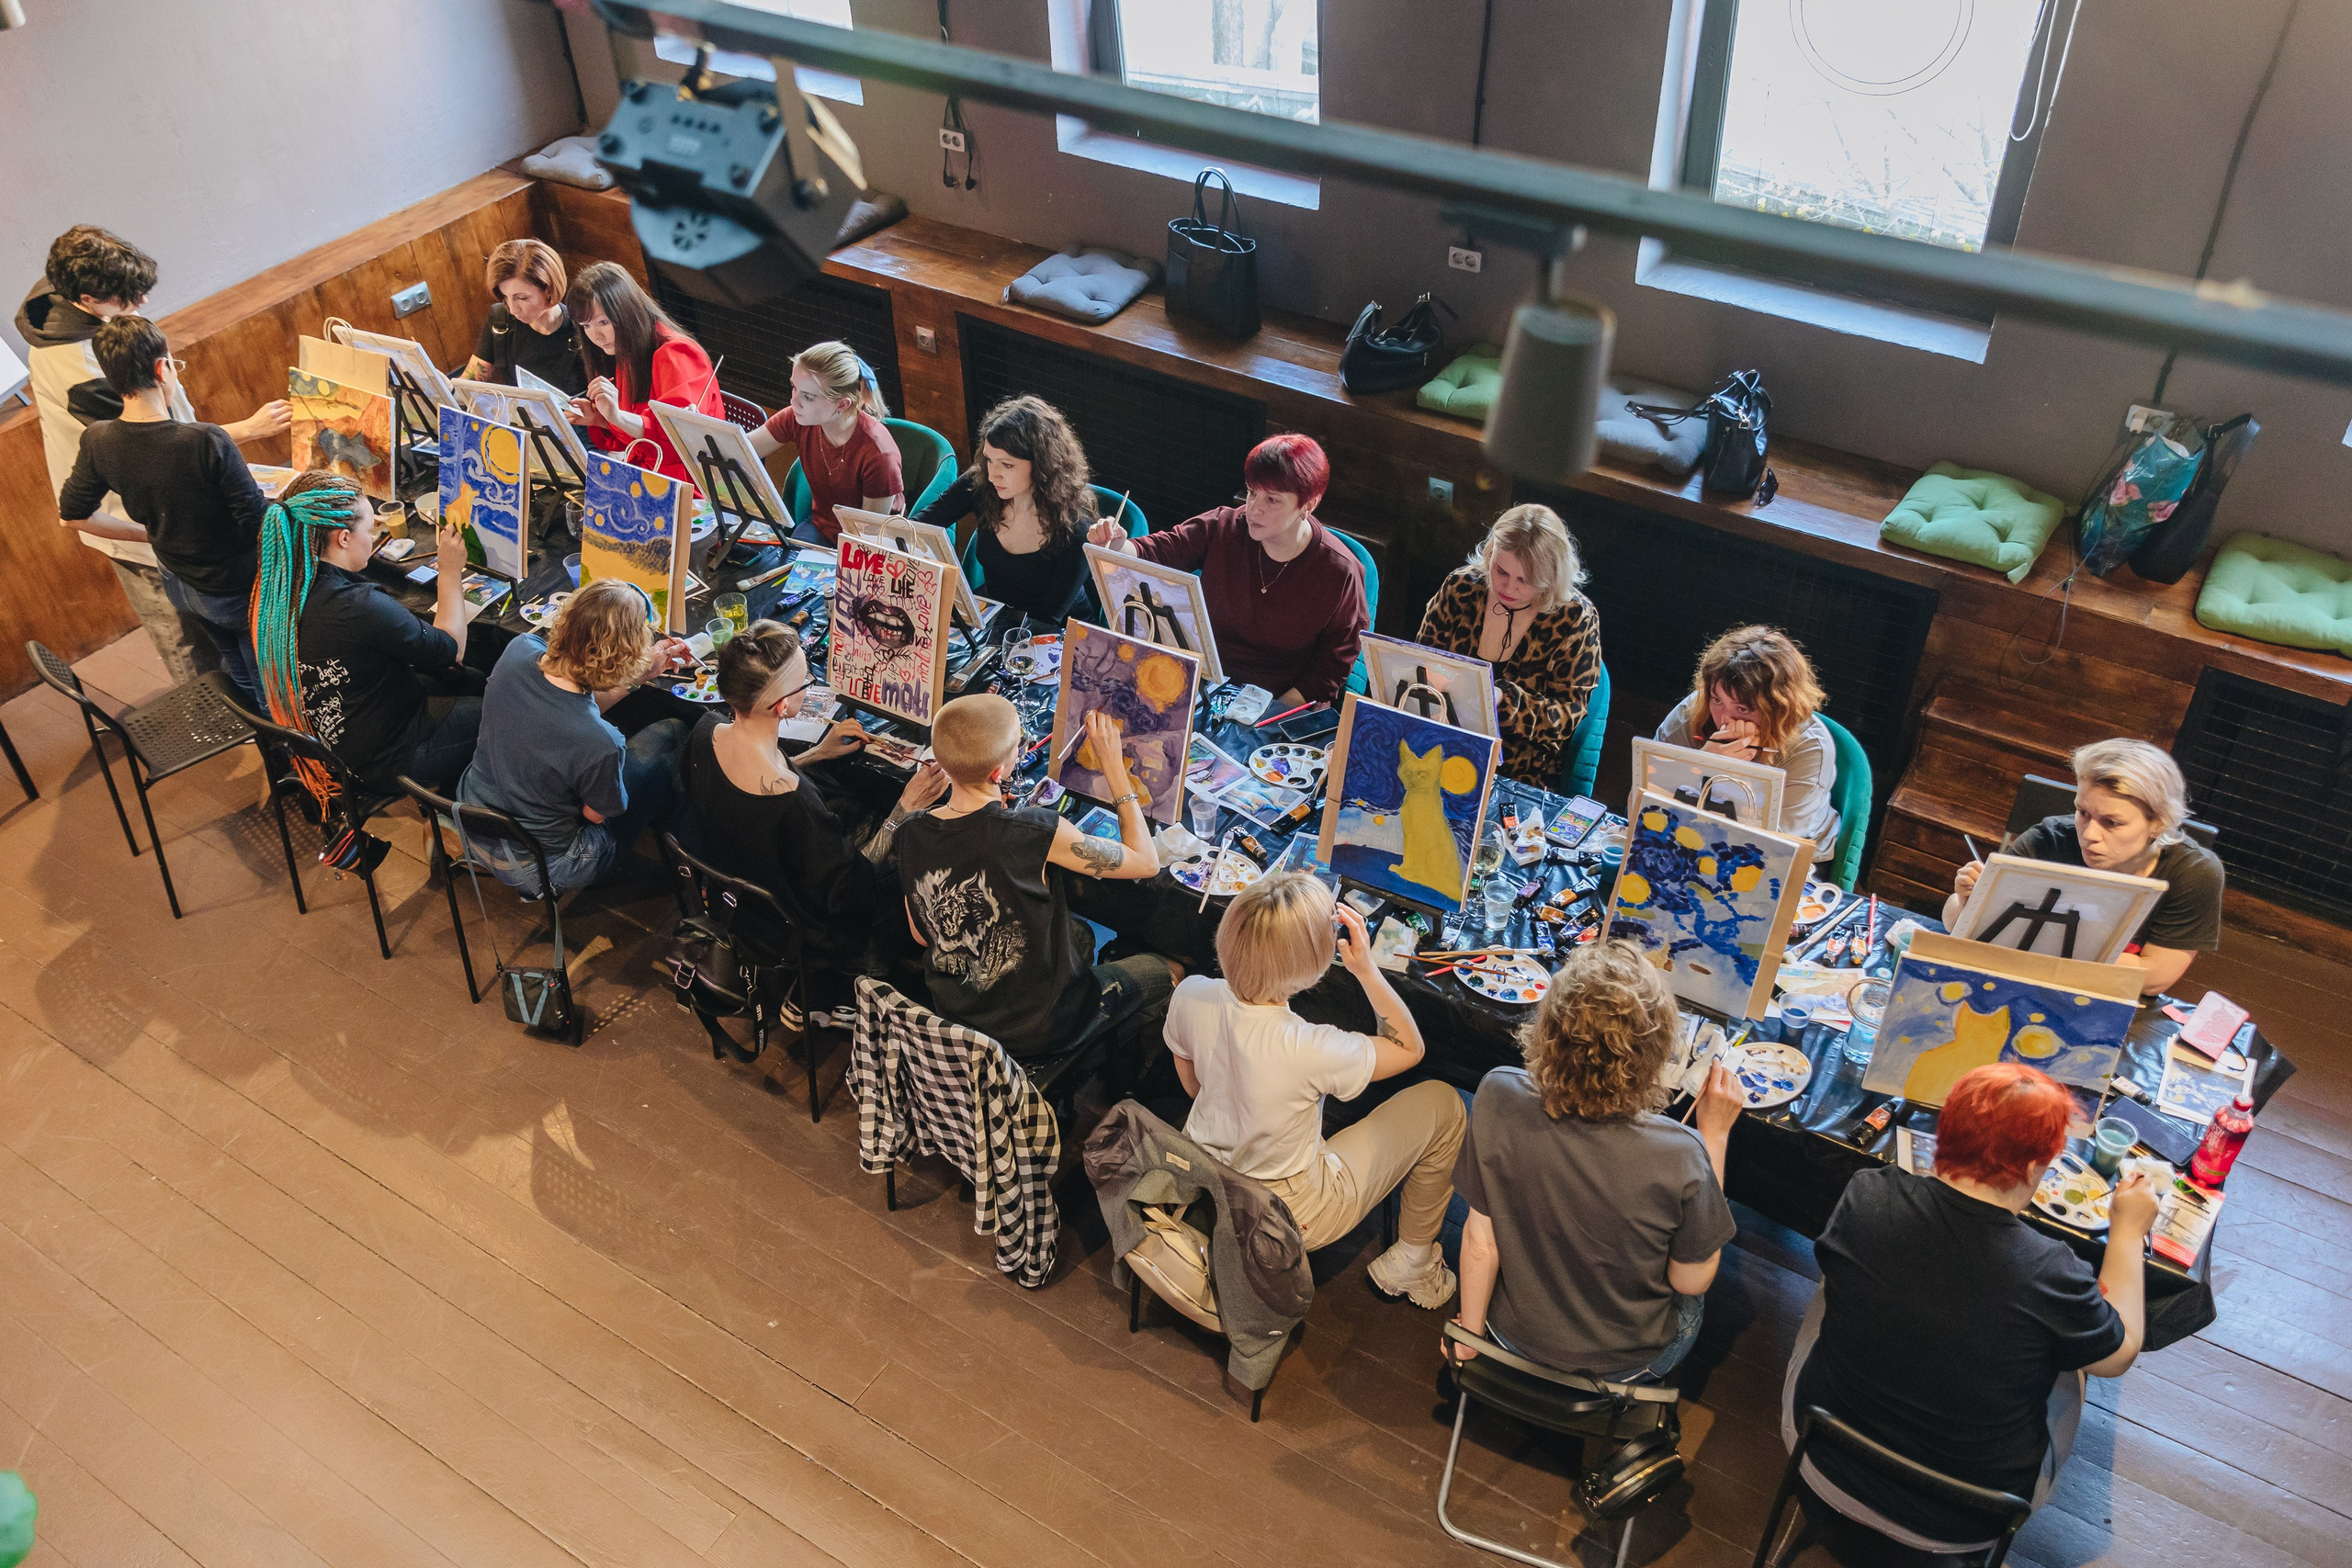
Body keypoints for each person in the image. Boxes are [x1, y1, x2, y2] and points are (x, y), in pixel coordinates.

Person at [1787, 1064, 2154, 1546]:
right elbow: (2118, 1355)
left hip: (1819, 1450)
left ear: (1944, 1132)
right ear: (2033, 1168)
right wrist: (2127, 1231)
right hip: (1967, 1517)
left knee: (1831, 1282)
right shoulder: (2054, 1272)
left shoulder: (1867, 1192)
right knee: (2077, 1364)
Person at [1165, 870, 1464, 1308]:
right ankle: (1413, 1263)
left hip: (1204, 1174)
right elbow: (1409, 1048)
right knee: (1445, 1103)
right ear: (1312, 967)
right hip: (1286, 1211)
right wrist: (1366, 970)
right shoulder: (1310, 1047)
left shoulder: (1191, 993)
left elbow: (1192, 1085)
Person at [1450, 940, 1740, 1380]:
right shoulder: (1683, 1152)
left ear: (1545, 1030)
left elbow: (1479, 1242)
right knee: (1693, 1297)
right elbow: (1691, 1281)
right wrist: (1714, 1137)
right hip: (1624, 1367)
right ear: (1656, 1054)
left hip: (1511, 1337)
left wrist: (1470, 1337)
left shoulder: (1497, 1094)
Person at [18, 224, 288, 684]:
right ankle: (217, 713)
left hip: (158, 511)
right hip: (133, 519)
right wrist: (247, 430)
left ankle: (246, 700)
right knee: (186, 638)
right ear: (87, 299)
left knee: (220, 639)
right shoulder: (81, 371)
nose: (141, 302)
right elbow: (163, 447)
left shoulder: (66, 300)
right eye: (128, 297)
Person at [896, 693, 1174, 1061]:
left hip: (958, 1015)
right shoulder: (1034, 830)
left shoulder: (910, 830)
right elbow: (1146, 862)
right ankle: (1113, 1064)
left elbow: (920, 935)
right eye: (1019, 744)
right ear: (998, 773)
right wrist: (1113, 765)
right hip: (1042, 1028)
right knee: (1168, 969)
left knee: (1081, 934)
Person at [684, 619, 949, 981]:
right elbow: (848, 893)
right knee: (919, 854)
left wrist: (818, 754)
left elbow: (751, 787)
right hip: (793, 929)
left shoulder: (705, 730)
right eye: (805, 682)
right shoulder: (792, 800)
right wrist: (905, 808)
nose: (809, 685)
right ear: (782, 705)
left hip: (733, 892)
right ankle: (867, 965)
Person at [56, 315, 271, 708]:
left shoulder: (98, 439)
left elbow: (72, 515)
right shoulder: (205, 440)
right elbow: (258, 521)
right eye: (174, 364)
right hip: (231, 586)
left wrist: (148, 534)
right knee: (266, 677)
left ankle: (259, 728)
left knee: (237, 666)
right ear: (161, 369)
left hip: (179, 583)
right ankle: (282, 739)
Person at [246, 470, 482, 816]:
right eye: (370, 530)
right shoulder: (355, 606)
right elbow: (451, 648)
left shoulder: (277, 591)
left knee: (474, 680)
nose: (374, 539)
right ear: (343, 538)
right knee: (512, 713)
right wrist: (449, 570)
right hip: (385, 759)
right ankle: (460, 810)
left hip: (336, 744)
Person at [1088, 434, 1365, 707]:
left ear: (1308, 505)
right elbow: (1157, 552)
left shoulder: (1339, 571)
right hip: (1204, 687)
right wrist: (1117, 544)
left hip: (1277, 705)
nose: (1253, 509)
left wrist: (1264, 715)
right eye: (1252, 492)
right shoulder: (1224, 526)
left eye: (1272, 500)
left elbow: (1329, 672)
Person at [456, 578, 694, 895]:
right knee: (672, 734)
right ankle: (694, 866)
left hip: (473, 819)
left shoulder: (520, 649)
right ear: (626, 657)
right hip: (540, 865)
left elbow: (568, 703)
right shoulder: (603, 742)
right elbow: (594, 815)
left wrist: (636, 677)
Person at [1945, 739, 2222, 995]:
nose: (2089, 834)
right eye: (2083, 812)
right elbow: (1952, 921)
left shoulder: (2193, 872)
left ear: (2159, 823)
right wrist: (1967, 901)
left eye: (2111, 822)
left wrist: (2037, 946)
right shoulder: (2047, 840)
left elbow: (2155, 978)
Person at [1415, 502, 1603, 784]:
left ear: (1550, 578)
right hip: (1441, 742)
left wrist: (1505, 701)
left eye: (1525, 580)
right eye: (1500, 571)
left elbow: (1568, 717)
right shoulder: (1460, 588)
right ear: (1490, 553)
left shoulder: (1575, 617)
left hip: (1518, 768)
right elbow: (1420, 661)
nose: (1508, 587)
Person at [1656, 625, 1839, 862]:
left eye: (1742, 709)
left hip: (1791, 857)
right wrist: (1701, 765)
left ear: (1779, 709)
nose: (1724, 720)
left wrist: (1733, 775)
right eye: (1717, 700)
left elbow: (1774, 848)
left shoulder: (1810, 748)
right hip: (1693, 838)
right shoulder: (1690, 714)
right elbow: (1641, 803)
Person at [914, 395, 1102, 625]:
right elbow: (917, 527)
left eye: (1007, 465)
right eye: (989, 459)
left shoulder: (1076, 526)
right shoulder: (982, 483)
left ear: (1042, 464)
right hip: (997, 613)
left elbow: (1047, 618)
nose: (993, 475)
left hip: (1056, 630)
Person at [565, 261, 722, 486]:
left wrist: (617, 417)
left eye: (603, 322)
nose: (596, 336)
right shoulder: (627, 350)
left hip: (689, 483)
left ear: (627, 311)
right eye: (586, 326)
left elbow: (676, 444)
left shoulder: (676, 354)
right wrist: (602, 419)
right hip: (649, 475)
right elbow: (636, 439)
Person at [749, 341, 904, 544]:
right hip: (823, 525)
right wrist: (707, 432)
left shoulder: (879, 455)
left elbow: (870, 535)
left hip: (870, 541)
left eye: (808, 397)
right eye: (794, 387)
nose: (794, 401)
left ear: (842, 404)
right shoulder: (797, 418)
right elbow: (741, 448)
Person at [458, 238, 587, 395]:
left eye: (521, 298)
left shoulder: (583, 329)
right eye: (505, 297)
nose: (513, 309)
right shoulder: (500, 319)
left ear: (548, 290)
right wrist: (448, 388)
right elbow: (471, 382)